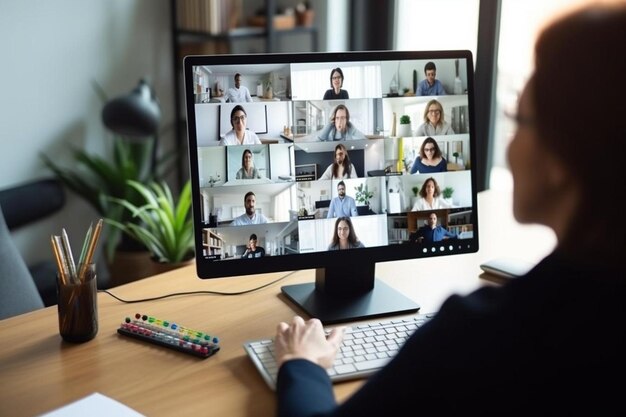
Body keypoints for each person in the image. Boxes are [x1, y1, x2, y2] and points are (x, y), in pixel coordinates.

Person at [273, 4, 626, 416]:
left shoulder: (481, 336)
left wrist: (301, 364)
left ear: (562, 162)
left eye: (518, 120)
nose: (507, 145)